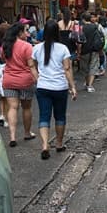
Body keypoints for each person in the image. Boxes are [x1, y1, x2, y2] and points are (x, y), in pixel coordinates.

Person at [30, 19, 77, 160]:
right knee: (60, 116)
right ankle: (59, 143)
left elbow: (31, 65)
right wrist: (73, 87)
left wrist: (38, 79)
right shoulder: (63, 48)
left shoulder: (37, 48)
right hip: (60, 88)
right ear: (57, 32)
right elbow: (67, 69)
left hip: (43, 87)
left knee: (44, 116)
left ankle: (45, 145)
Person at [1, 22, 37, 146]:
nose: (27, 34)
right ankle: (27, 133)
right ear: (20, 33)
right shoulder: (27, 46)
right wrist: (38, 79)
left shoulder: (5, 46)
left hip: (9, 80)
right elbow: (31, 65)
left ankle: (12, 137)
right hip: (25, 81)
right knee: (26, 107)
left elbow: (3, 59)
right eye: (25, 31)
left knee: (12, 108)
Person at [78, 12, 103, 93]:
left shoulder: (81, 28)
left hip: (84, 50)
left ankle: (87, 83)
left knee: (85, 68)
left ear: (83, 19)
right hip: (94, 49)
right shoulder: (96, 26)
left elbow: (79, 41)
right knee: (93, 67)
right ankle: (90, 85)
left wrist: (78, 51)